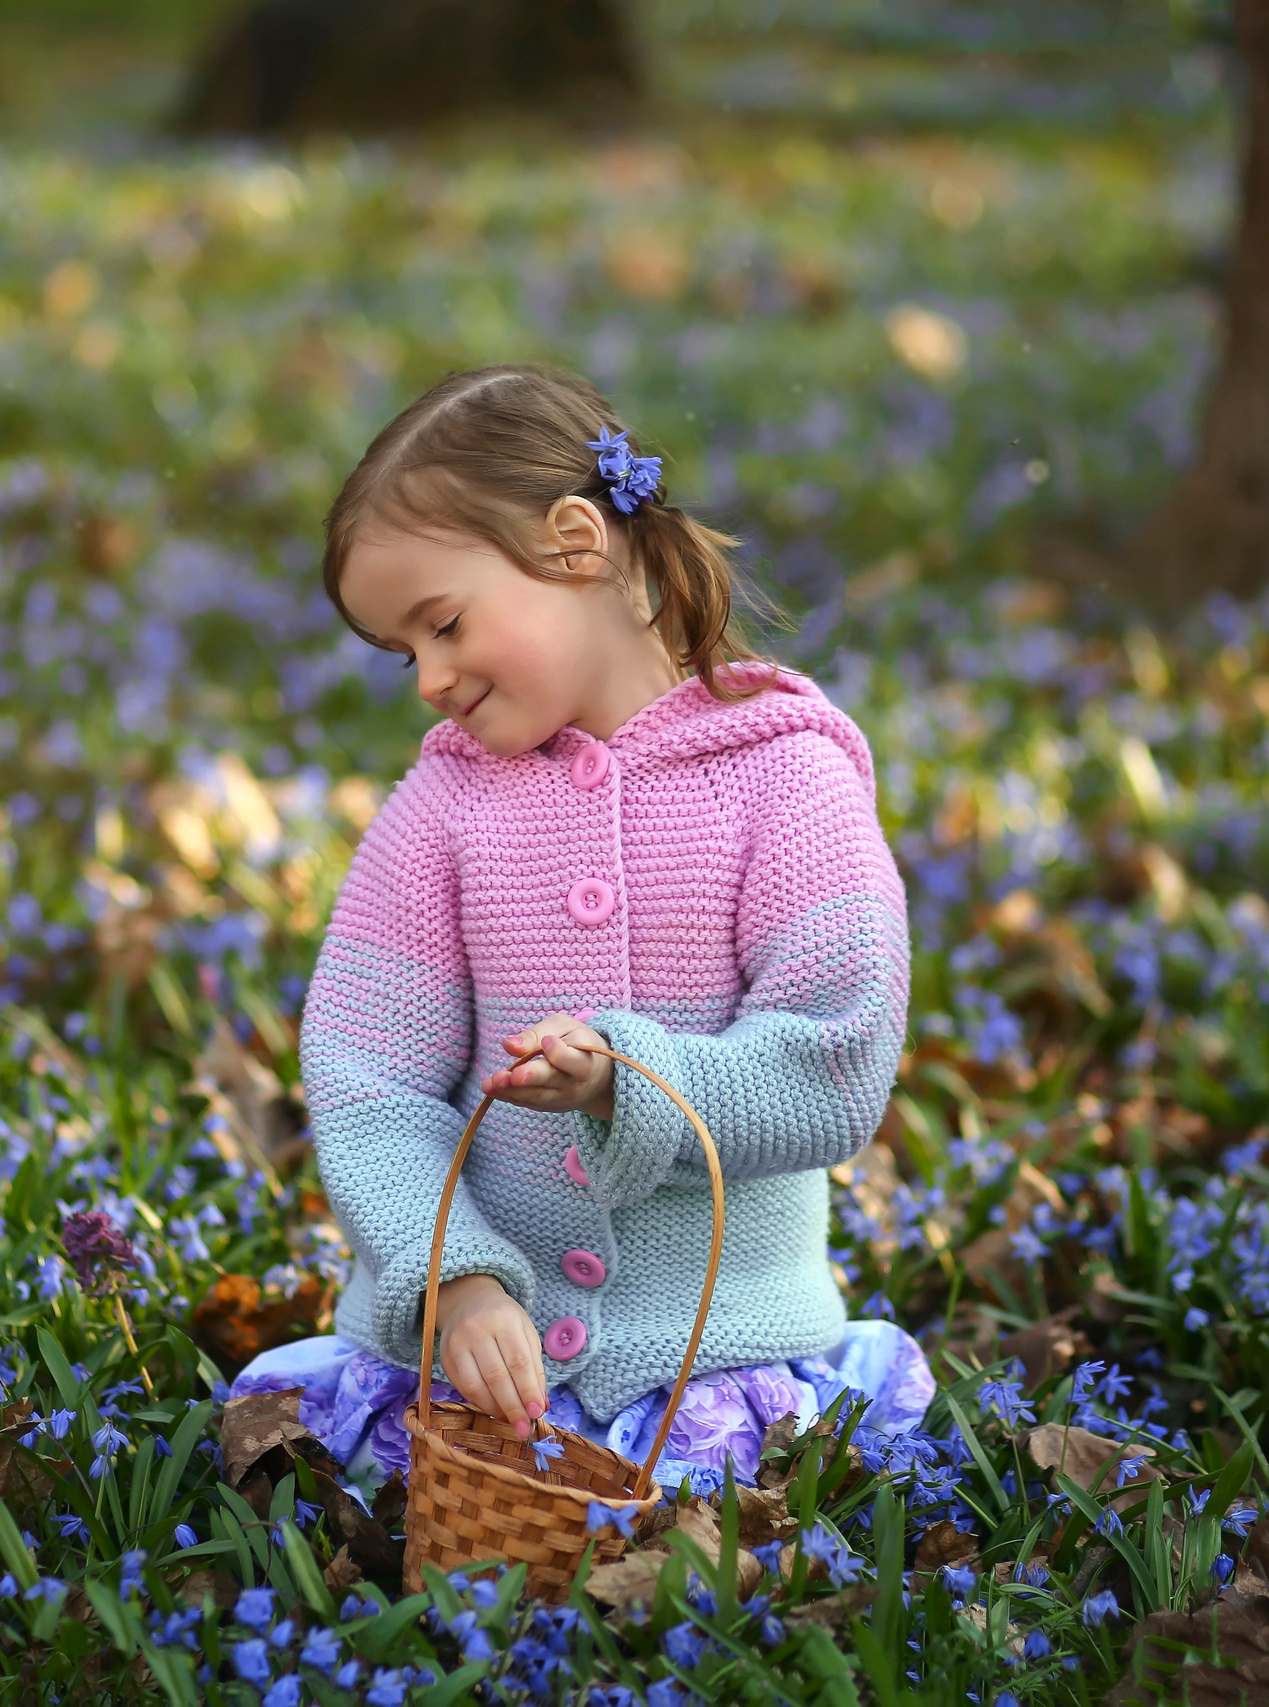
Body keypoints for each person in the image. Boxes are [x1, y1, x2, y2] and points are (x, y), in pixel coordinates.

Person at [229, 363, 932, 1490]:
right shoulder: (442, 809)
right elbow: (369, 1078)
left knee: (689, 1540)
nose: (428, 680)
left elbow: (836, 1065)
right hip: (479, 1365)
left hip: (712, 1357)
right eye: (405, 652)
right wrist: (454, 1278)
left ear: (574, 542)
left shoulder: (788, 784)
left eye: (444, 625)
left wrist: (628, 1082)